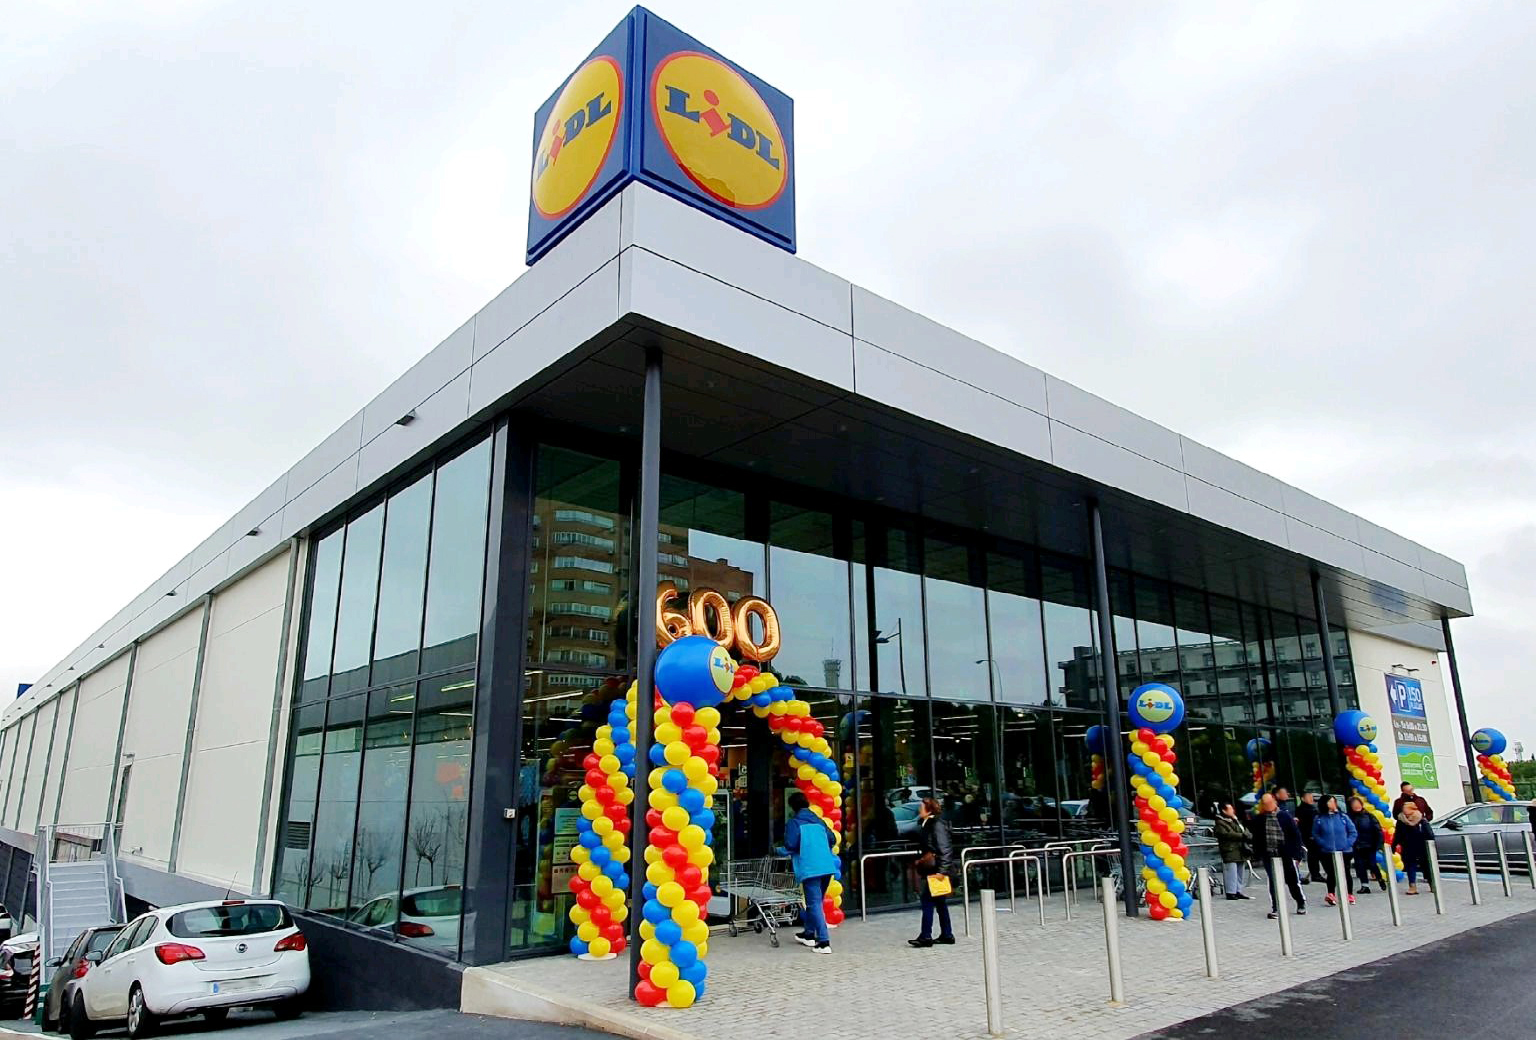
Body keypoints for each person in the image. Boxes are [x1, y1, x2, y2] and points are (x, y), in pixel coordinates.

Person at [780, 791, 838, 954]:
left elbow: (791, 844)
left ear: (792, 807)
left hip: (810, 867)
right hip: (826, 866)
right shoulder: (819, 821)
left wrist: (779, 850)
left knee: (814, 903)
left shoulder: (794, 823)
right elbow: (832, 839)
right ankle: (808, 933)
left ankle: (823, 942)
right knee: (816, 902)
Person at [1249, 793, 1306, 919]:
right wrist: (1257, 854)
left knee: (1292, 880)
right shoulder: (1259, 819)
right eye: (1265, 804)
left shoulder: (1284, 816)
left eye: (1269, 803)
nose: (1268, 806)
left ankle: (1300, 902)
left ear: (1274, 802)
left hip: (1286, 854)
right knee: (1273, 881)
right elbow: (1256, 838)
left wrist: (1297, 855)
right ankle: (1276, 907)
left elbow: (1296, 836)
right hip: (1269, 855)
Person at [908, 797, 955, 947]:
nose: (919, 810)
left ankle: (926, 936)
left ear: (929, 810)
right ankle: (947, 934)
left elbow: (944, 848)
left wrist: (942, 871)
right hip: (933, 869)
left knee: (927, 901)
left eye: (921, 807)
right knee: (940, 902)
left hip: (936, 871)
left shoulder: (936, 824)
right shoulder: (926, 823)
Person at [1311, 795, 1358, 906]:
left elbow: (1353, 832)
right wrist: (1323, 843)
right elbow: (1315, 834)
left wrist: (1347, 843)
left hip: (1345, 851)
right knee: (1331, 873)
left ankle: (1349, 894)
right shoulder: (1319, 819)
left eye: (1334, 802)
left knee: (1346, 872)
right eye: (1330, 802)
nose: (1333, 804)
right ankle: (1331, 893)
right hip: (1327, 851)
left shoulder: (1343, 817)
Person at [1213, 802, 1252, 900]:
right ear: (1224, 810)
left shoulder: (1235, 821)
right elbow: (1227, 834)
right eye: (1230, 809)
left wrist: (1246, 834)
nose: (1232, 811)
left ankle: (1238, 890)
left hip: (1240, 849)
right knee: (1231, 872)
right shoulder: (1220, 822)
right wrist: (1242, 836)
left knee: (1240, 871)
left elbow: (1244, 830)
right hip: (1230, 849)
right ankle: (1231, 892)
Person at [1348, 795, 1386, 893]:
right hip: (1357, 845)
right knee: (1360, 866)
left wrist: (1379, 844)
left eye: (1358, 804)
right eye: (1354, 805)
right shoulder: (1349, 817)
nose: (1356, 806)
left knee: (1372, 864)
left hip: (1370, 845)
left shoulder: (1369, 816)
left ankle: (1380, 879)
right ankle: (1365, 885)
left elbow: (1378, 830)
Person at [1393, 801, 1433, 895]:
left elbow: (1429, 833)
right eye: (1404, 809)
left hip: (1421, 846)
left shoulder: (1421, 819)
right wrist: (1394, 845)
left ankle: (1432, 884)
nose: (1404, 810)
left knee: (1427, 866)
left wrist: (1431, 844)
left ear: (1412, 809)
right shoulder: (1401, 820)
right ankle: (1412, 886)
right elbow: (1397, 834)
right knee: (1410, 866)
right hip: (1408, 846)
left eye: (1406, 808)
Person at [1295, 791, 1324, 883]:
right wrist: (1310, 834)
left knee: (1317, 854)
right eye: (1309, 797)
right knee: (1313, 855)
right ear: (1303, 798)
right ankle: (1315, 874)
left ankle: (1317, 873)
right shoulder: (1302, 809)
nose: (1311, 799)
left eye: (1312, 797)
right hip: (1309, 835)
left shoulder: (1314, 808)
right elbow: (1304, 824)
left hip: (1316, 834)